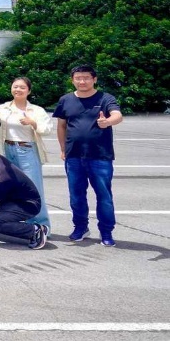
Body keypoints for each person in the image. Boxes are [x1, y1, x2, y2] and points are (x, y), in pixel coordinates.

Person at [53, 64, 123, 246]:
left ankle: (106, 232)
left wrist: (107, 121)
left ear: (94, 79)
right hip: (74, 156)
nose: (82, 81)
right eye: (78, 78)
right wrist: (63, 149)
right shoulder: (65, 100)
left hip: (100, 156)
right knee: (76, 195)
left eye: (86, 78)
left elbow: (117, 115)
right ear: (73, 80)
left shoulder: (105, 98)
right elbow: (61, 126)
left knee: (104, 196)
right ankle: (80, 227)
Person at [0, 77, 54, 230]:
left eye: (22, 87)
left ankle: (41, 224)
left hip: (27, 150)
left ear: (29, 91)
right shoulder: (2, 108)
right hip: (6, 149)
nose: (18, 90)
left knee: (33, 188)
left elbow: (47, 129)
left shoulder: (36, 110)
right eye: (15, 87)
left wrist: (33, 123)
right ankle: (14, 223)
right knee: (10, 187)